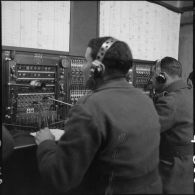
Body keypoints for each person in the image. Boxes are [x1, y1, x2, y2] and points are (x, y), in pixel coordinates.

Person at [35, 37, 162, 194]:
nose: (83, 67)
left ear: (97, 68)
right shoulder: (146, 100)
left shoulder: (89, 107)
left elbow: (60, 177)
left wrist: (46, 143)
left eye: (85, 61)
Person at [150, 57, 194, 194]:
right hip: (187, 165)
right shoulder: (188, 93)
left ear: (162, 77)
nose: (151, 80)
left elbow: (147, 131)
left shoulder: (170, 102)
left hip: (172, 170)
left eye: (153, 75)